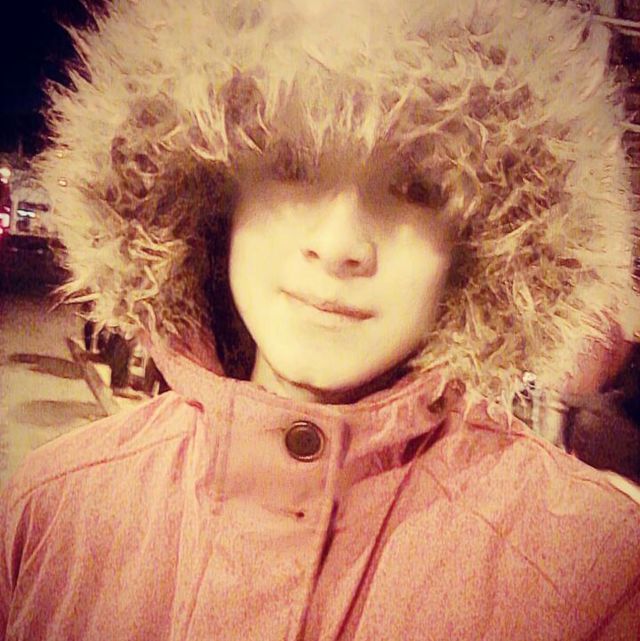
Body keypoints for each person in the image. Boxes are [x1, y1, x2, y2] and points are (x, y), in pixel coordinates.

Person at [1, 0, 640, 639]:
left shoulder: (589, 575)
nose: (338, 245)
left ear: (479, 244)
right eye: (294, 165)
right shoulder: (53, 509)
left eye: (416, 188)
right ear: (213, 194)